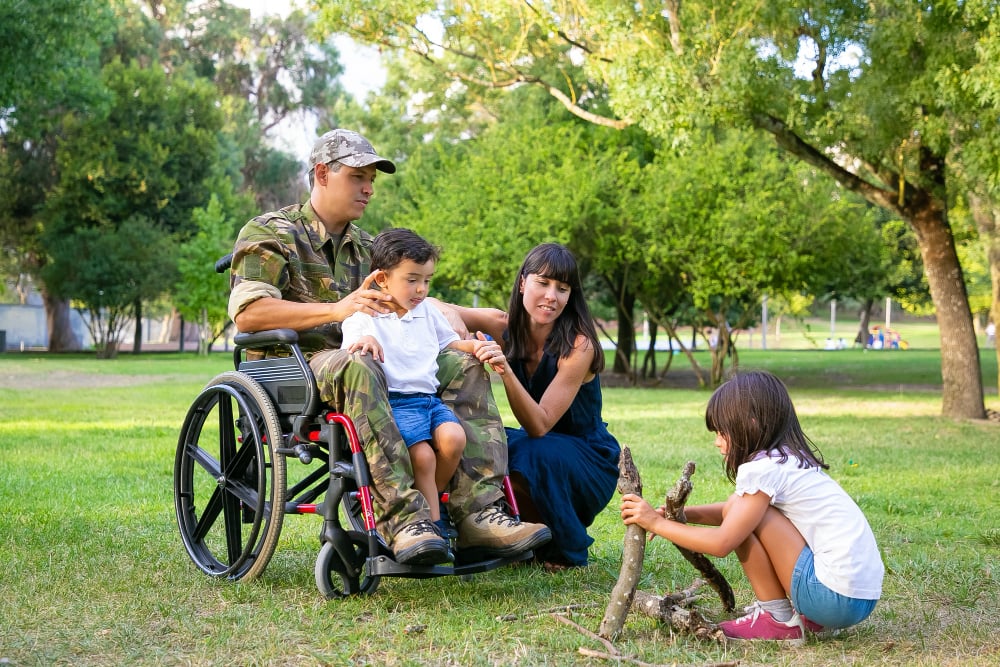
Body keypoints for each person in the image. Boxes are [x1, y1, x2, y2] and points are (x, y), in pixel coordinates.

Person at [227, 128, 550, 567]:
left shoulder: (372, 248)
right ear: (323, 173)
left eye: (372, 179)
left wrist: (471, 330)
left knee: (464, 362)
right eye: (358, 176)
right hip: (294, 367)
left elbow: (418, 308)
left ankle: (477, 514)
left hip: (379, 367)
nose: (368, 188)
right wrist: (337, 309)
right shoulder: (272, 232)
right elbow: (249, 314)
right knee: (357, 363)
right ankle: (402, 522)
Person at [620, 370, 883, 644]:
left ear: (751, 424)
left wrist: (657, 524)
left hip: (830, 597)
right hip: (860, 598)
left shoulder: (762, 470)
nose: (717, 441)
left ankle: (778, 620)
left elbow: (723, 542)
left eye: (722, 432)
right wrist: (684, 515)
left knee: (743, 515)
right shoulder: (787, 460)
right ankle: (808, 620)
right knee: (741, 508)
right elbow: (734, 508)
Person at [450, 243, 621, 568]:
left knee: (530, 451)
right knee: (481, 440)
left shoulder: (579, 345)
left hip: (586, 458)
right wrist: (454, 325)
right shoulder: (503, 326)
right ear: (522, 283)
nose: (551, 296)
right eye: (543, 283)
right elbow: (431, 302)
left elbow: (539, 425)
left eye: (562, 288)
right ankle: (500, 538)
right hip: (538, 447)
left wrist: (505, 370)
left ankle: (560, 547)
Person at [341, 228, 503, 538]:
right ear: (382, 279)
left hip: (428, 400)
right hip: (394, 402)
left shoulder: (427, 312)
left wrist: (474, 347)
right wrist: (367, 338)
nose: (421, 290)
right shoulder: (365, 315)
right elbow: (352, 344)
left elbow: (449, 344)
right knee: (425, 457)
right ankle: (433, 521)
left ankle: (424, 507)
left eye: (426, 281)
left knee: (455, 438)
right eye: (412, 280)